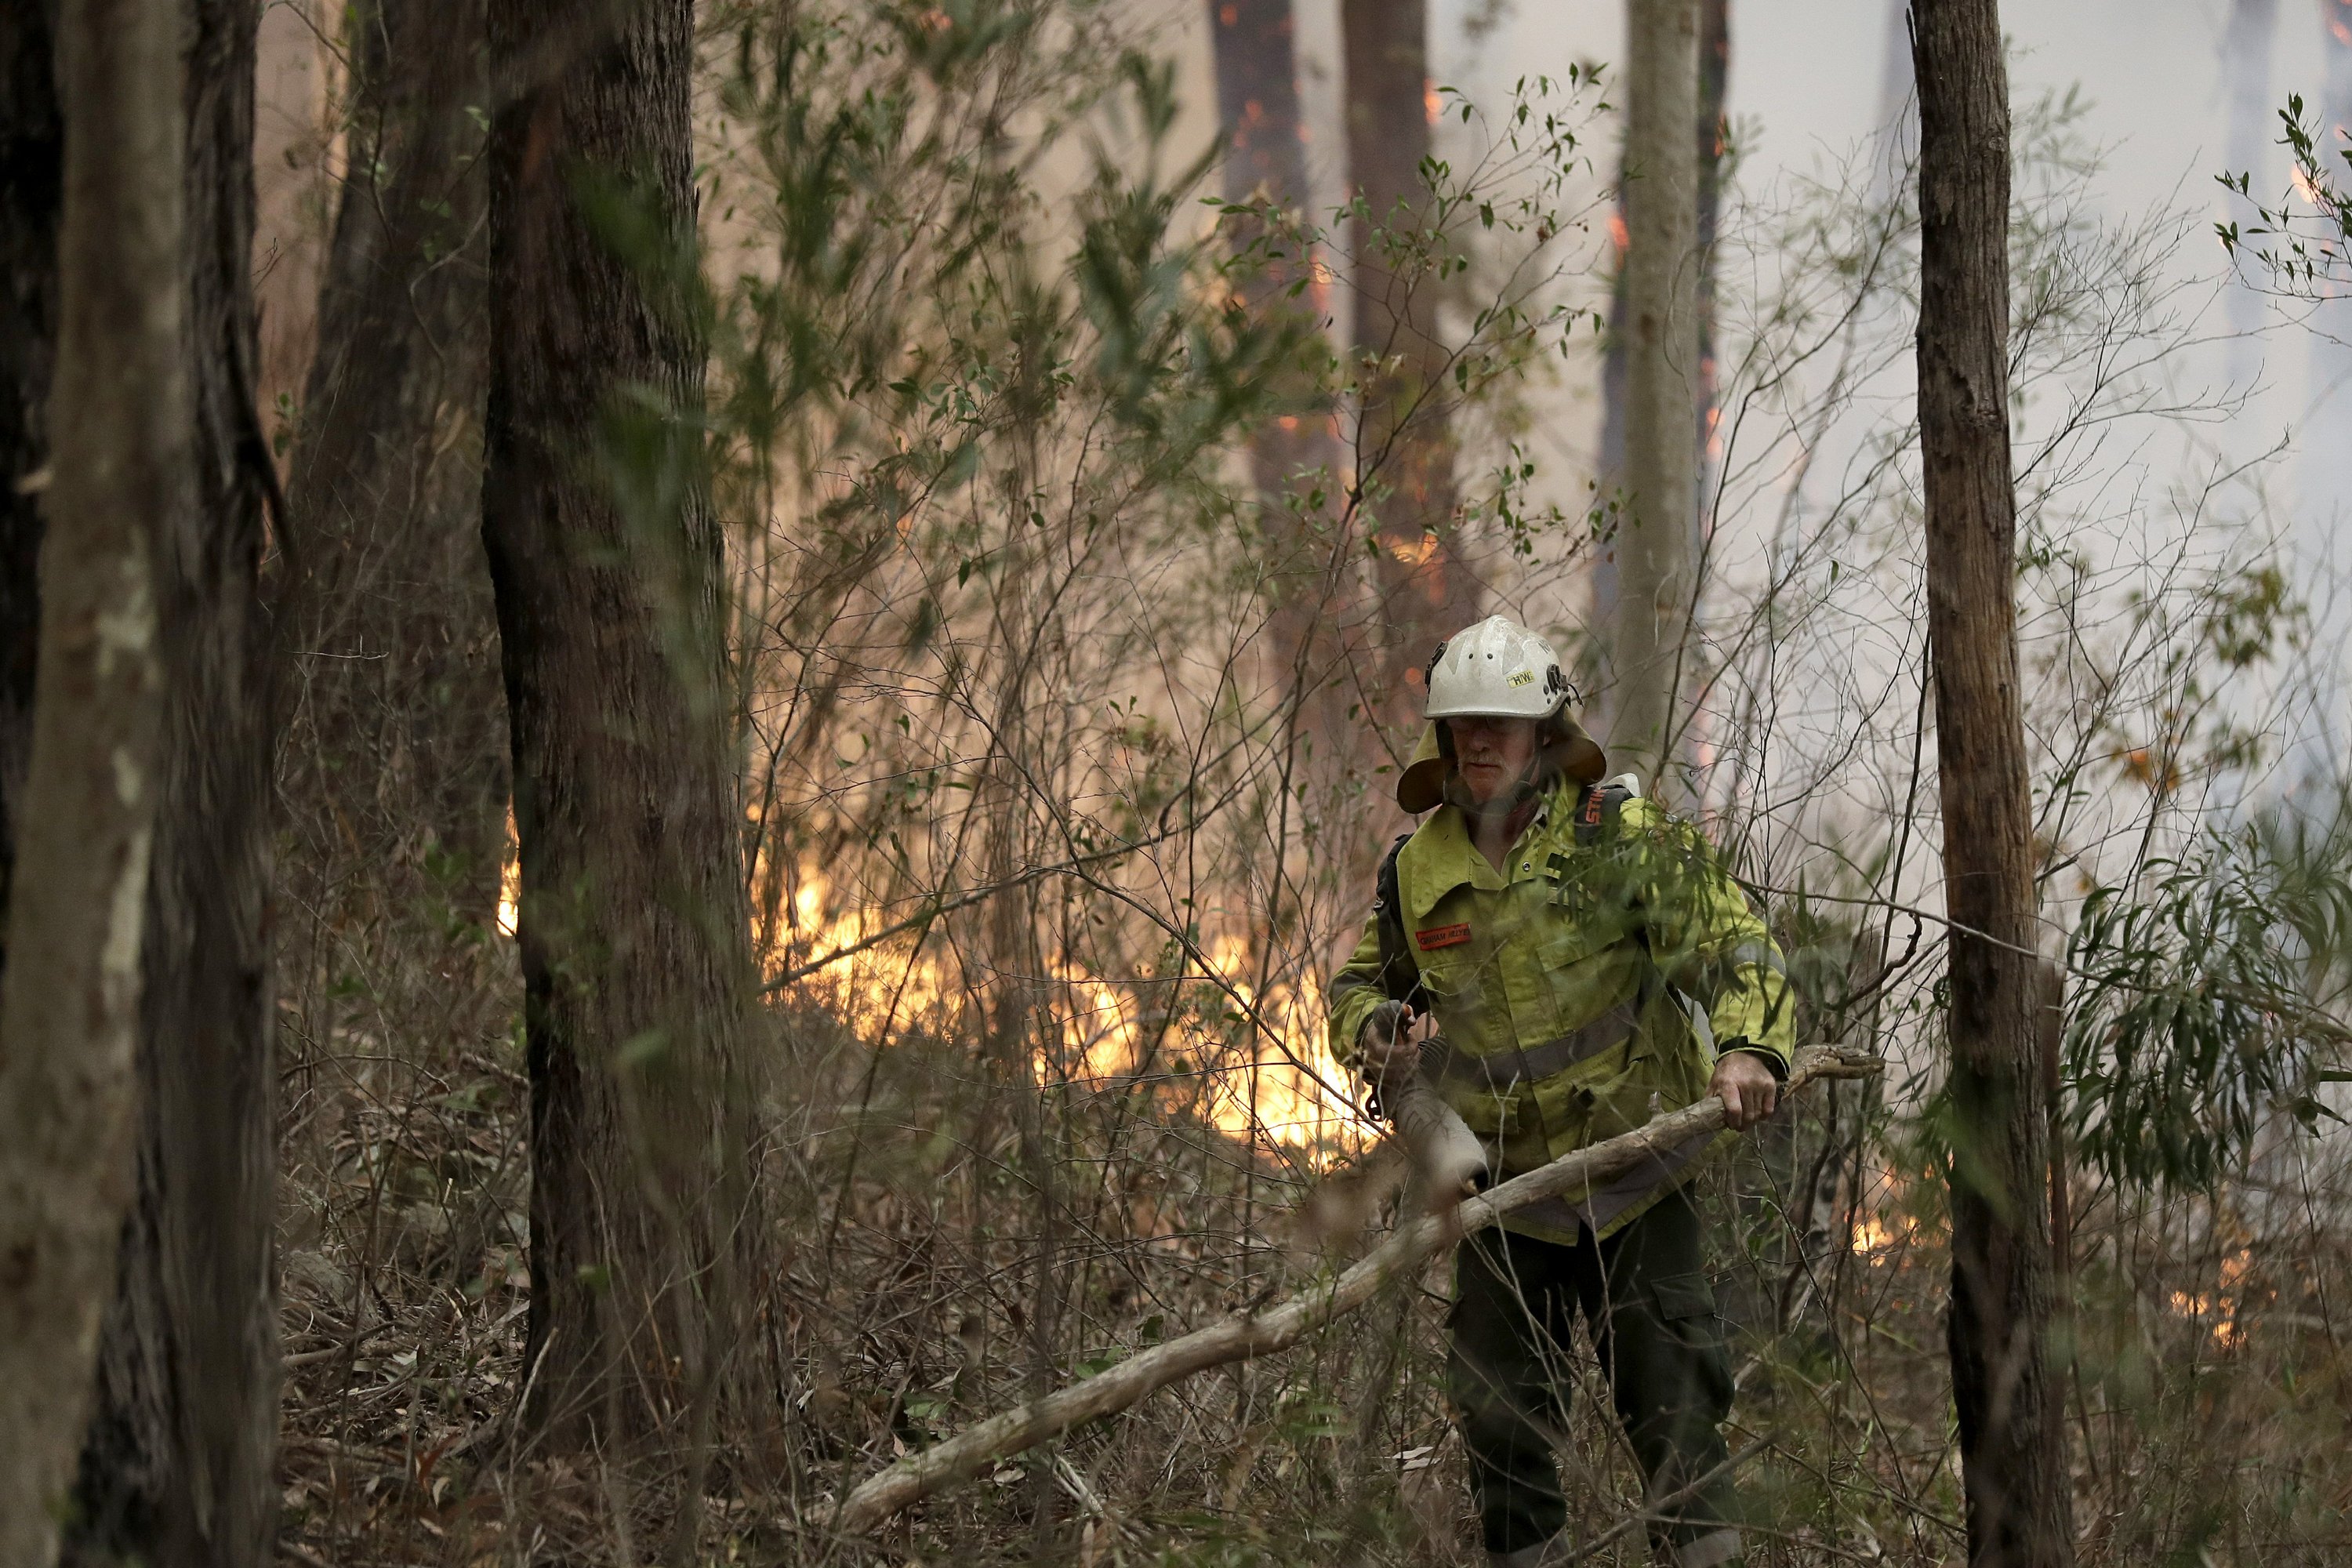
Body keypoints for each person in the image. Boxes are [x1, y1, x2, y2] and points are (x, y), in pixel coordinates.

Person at [1327, 615, 1794, 1568]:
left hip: (1641, 1183)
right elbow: (1357, 985)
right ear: (1443, 739)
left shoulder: (1617, 836)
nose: (1483, 741)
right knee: (1500, 1431)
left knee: (1677, 1420)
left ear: (1546, 733)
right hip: (1507, 1202)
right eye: (1465, 726)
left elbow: (1733, 937)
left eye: (1503, 723)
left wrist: (1752, 1049)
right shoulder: (1417, 876)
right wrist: (1372, 1028)